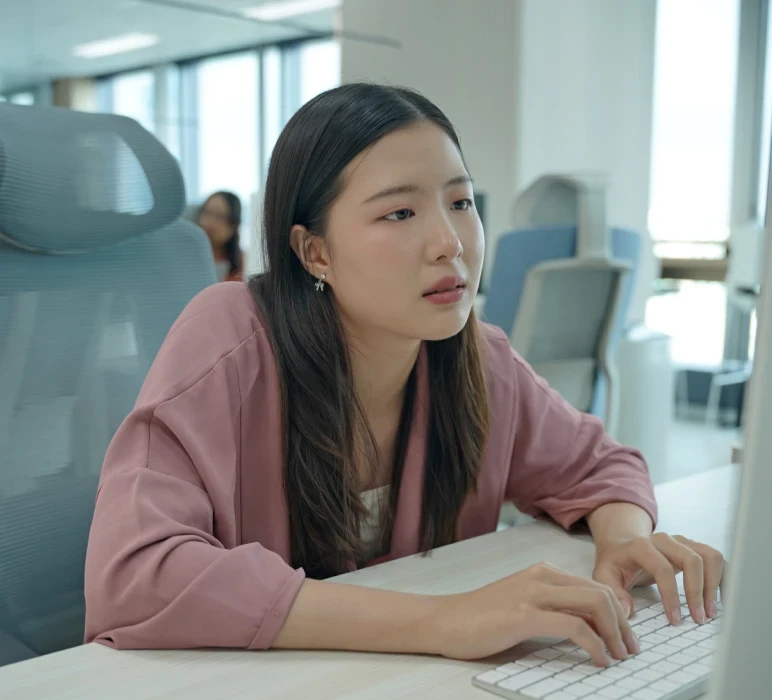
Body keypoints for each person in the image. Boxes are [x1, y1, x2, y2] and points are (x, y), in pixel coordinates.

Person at [84, 83, 724, 667]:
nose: (450, 241)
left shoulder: (478, 355)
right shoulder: (229, 336)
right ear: (315, 251)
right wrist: (444, 620)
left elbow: (599, 468)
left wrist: (623, 539)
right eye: (400, 213)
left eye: (461, 201)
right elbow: (135, 574)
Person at [197, 190, 244, 281]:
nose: (210, 222)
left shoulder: (242, 261)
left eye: (220, 216)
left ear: (234, 225)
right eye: (207, 213)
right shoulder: (186, 257)